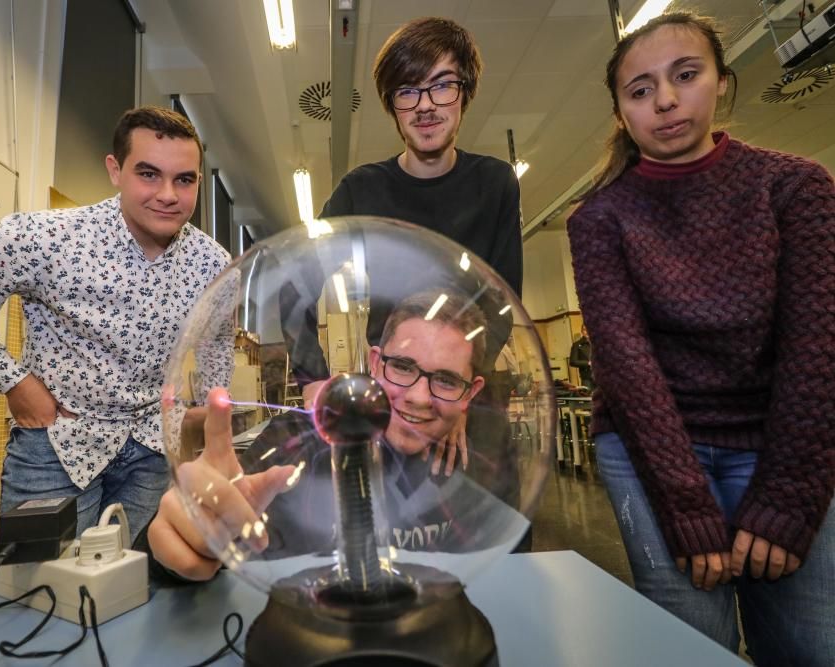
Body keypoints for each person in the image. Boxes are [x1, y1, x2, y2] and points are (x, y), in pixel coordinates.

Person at [567, 13, 834, 666]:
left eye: (685, 75)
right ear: (621, 112)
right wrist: (683, 503)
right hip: (652, 448)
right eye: (640, 89)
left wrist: (788, 495)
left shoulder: (795, 188)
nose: (664, 99)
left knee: (809, 646)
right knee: (690, 649)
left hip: (780, 442)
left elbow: (816, 354)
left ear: (721, 82)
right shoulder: (600, 217)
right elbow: (627, 369)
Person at [0, 106, 233, 545]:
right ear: (115, 170)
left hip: (153, 453)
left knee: (140, 584)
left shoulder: (213, 263)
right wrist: (15, 381)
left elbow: (216, 346)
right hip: (55, 445)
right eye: (149, 174)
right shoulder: (45, 239)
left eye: (185, 180)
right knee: (38, 589)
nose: (168, 194)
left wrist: (207, 428)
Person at [141, 290, 528, 583]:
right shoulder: (297, 440)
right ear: (375, 363)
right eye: (403, 368)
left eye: (445, 380)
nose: (418, 397)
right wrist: (181, 535)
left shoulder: (489, 457)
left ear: (472, 391)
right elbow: (188, 545)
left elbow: (513, 577)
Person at [283, 16, 523, 481]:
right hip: (394, 404)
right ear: (392, 105)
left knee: (493, 539)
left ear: (465, 93)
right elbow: (295, 280)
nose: (426, 106)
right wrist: (312, 380)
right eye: (408, 91)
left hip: (471, 403)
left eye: (442, 86)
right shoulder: (360, 191)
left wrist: (451, 394)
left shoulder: (495, 183)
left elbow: (502, 301)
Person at [568, 325, 593, 390]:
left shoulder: (598, 342)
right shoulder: (576, 344)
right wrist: (588, 363)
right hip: (586, 377)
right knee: (588, 397)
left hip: (600, 376)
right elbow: (572, 361)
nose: (587, 332)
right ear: (582, 331)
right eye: (585, 330)